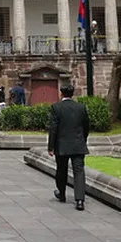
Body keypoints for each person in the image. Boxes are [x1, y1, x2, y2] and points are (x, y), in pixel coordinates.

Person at [48, 83, 90, 211]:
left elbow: (53, 128)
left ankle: (62, 193)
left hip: (62, 145)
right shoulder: (81, 107)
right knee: (79, 171)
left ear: (61, 93)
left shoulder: (56, 107)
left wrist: (51, 146)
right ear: (73, 94)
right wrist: (83, 139)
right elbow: (86, 126)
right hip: (78, 144)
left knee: (61, 170)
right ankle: (80, 200)